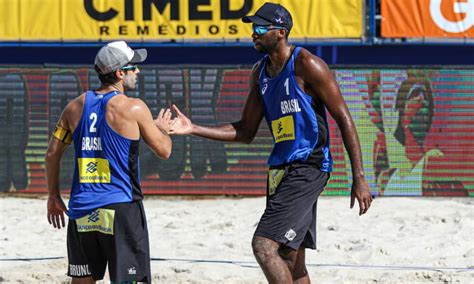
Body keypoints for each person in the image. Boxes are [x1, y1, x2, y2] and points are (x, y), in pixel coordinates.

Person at [169, 2, 372, 283]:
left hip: (308, 167)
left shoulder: (307, 64)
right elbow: (245, 131)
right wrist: (192, 128)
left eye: (260, 28)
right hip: (280, 171)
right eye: (253, 27)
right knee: (292, 258)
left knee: (264, 246)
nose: (253, 33)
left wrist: (359, 176)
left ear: (280, 32)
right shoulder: (260, 72)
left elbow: (345, 119)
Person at [45, 40, 172, 283]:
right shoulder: (134, 107)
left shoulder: (74, 107)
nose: (138, 71)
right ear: (119, 73)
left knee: (83, 279)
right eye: (133, 66)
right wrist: (163, 129)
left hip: (82, 208)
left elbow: (51, 155)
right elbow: (164, 151)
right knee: (131, 280)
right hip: (121, 207)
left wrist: (53, 195)